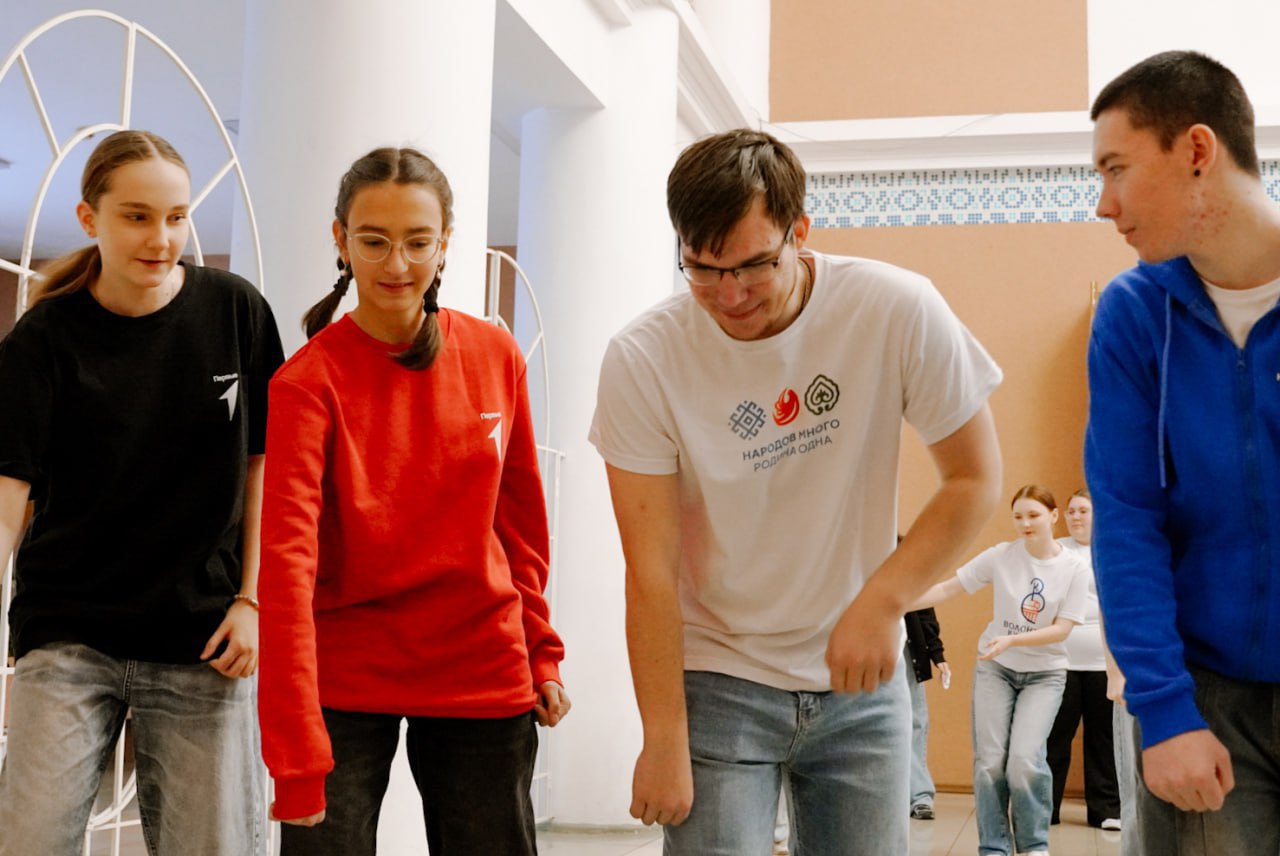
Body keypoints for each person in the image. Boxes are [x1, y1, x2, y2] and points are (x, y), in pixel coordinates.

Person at [590, 128, 1003, 855]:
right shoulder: (643, 358)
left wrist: (882, 602)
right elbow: (650, 572)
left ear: (799, 231)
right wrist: (662, 736)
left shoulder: (895, 308)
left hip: (861, 679)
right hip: (718, 675)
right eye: (702, 268)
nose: (730, 294)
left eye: (754, 264)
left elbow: (974, 478)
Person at [257, 147, 569, 856]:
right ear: (340, 241)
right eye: (373, 241)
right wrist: (295, 754)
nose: (397, 264)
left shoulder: (496, 356)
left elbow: (520, 530)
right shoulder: (306, 383)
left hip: (481, 665)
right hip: (346, 674)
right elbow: (286, 568)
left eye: (418, 242)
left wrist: (540, 653)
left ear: (445, 243)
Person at [0, 129, 283, 855]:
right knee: (29, 842)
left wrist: (253, 600)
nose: (162, 238)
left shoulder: (236, 312)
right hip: (67, 635)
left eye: (177, 217)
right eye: (136, 216)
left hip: (205, 640)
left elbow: (264, 468)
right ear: (89, 218)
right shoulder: (41, 339)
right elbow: (8, 501)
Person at [1085, 49, 1280, 853]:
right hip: (1202, 698)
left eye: (1117, 168)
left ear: (1197, 150)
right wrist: (1164, 711)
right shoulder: (1133, 314)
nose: (1105, 204)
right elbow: (1127, 519)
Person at [911, 485, 1089, 856]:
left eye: (1034, 515)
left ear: (1053, 516)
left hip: (1046, 675)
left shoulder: (1074, 568)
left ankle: (1034, 844)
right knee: (990, 763)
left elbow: (1062, 629)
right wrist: (892, 604)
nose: (1025, 523)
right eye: (1018, 516)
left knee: (1024, 760)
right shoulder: (1001, 556)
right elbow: (948, 589)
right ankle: (993, 847)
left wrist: (1013, 640)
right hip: (996, 670)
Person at [1045, 488, 1121, 829]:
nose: (1076, 517)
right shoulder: (1055, 550)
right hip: (1061, 661)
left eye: (1083, 511)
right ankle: (1044, 809)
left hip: (1103, 664)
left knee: (1103, 739)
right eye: (1071, 511)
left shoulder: (1112, 549)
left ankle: (1106, 810)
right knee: (1055, 736)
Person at [905, 606, 951, 820]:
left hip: (905, 648)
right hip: (866, 646)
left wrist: (936, 652)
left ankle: (919, 796)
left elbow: (923, 608)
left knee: (915, 721)